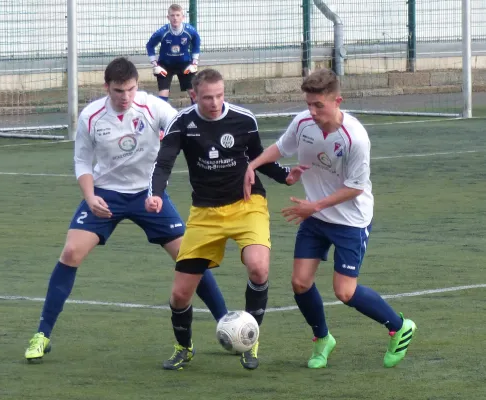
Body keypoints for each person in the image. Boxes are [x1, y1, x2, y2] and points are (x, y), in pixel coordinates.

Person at [23, 57, 227, 362]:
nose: (126, 97)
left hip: (149, 194)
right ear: (107, 87)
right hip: (106, 195)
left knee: (190, 259)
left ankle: (229, 324)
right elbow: (82, 161)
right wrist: (91, 197)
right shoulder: (91, 116)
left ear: (137, 86)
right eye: (119, 90)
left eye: (131, 89)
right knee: (70, 253)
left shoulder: (152, 107)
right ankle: (42, 334)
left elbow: (184, 127)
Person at [244, 68, 417, 369]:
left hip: (351, 220)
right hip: (316, 216)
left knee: (345, 291)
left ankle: (399, 326)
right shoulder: (302, 123)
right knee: (300, 282)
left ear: (337, 100)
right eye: (308, 104)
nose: (311, 111)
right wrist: (254, 164)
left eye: (318, 105)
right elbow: (280, 148)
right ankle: (322, 339)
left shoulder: (355, 138)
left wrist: (315, 206)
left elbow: (355, 187)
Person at [145, 68, 305, 371]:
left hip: (247, 205)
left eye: (219, 95)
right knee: (180, 294)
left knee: (258, 267)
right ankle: (183, 347)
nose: (215, 102)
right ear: (194, 95)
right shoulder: (182, 122)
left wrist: (285, 176)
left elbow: (258, 157)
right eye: (207, 97)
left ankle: (250, 340)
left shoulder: (244, 120)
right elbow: (164, 162)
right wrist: (155, 193)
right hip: (205, 213)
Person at [146, 4, 200, 105]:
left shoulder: (190, 31)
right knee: (163, 94)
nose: (175, 18)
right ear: (168, 17)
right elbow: (149, 46)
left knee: (194, 94)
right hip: (165, 65)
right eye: (172, 15)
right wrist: (155, 65)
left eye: (178, 15)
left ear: (183, 17)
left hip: (184, 64)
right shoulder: (162, 32)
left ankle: (196, 115)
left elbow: (196, 44)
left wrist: (194, 63)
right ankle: (162, 118)